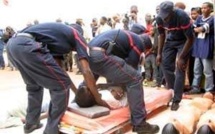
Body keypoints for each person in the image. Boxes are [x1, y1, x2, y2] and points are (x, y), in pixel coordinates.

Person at [6, 22, 109, 134]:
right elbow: (86, 70)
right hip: (27, 45)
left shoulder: (56, 39)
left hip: (13, 46)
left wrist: (77, 93)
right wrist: (98, 99)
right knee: (61, 87)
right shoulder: (77, 35)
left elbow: (60, 74)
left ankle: (31, 124)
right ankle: (51, 130)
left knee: (34, 87)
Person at [77, 29, 160, 133]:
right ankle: (140, 124)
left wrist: (112, 87)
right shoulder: (138, 43)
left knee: (90, 81)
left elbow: (114, 69)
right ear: (145, 47)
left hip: (87, 54)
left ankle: (78, 100)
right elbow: (130, 72)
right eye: (146, 51)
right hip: (100, 54)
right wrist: (116, 87)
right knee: (135, 79)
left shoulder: (125, 38)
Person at [156, 1, 194, 111]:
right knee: (165, 65)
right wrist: (159, 54)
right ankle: (173, 91)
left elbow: (190, 38)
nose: (164, 19)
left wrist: (181, 57)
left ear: (172, 12)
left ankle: (177, 99)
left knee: (180, 67)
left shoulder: (182, 16)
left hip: (184, 41)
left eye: (166, 17)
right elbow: (162, 35)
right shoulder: (159, 18)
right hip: (170, 40)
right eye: (163, 17)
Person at [187, 2, 214, 94]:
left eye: (205, 8)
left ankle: (209, 90)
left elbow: (202, 29)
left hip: (207, 47)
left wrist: (198, 28)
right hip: (198, 47)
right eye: (202, 8)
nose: (203, 10)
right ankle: (195, 88)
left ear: (211, 9)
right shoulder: (199, 18)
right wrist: (197, 29)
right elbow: (192, 29)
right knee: (196, 70)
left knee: (207, 71)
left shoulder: (212, 19)